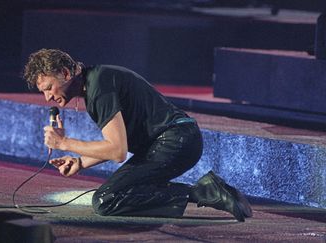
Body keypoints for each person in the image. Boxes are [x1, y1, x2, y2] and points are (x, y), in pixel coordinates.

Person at [23, 48, 252, 221]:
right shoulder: (96, 81)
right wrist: (81, 162)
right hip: (175, 140)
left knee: (106, 200)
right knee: (116, 194)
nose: (47, 98)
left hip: (176, 140)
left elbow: (118, 151)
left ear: (65, 73)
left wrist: (65, 142)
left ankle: (203, 191)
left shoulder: (99, 87)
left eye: (48, 88)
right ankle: (205, 190)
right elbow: (119, 143)